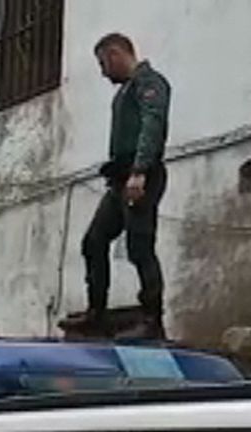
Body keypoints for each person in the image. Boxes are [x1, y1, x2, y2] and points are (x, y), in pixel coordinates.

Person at [78, 33, 172, 340]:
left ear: (117, 54)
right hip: (120, 179)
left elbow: (152, 124)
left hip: (139, 175)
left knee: (140, 247)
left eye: (104, 63)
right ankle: (97, 313)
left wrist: (139, 171)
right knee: (94, 240)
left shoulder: (150, 83)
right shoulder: (125, 92)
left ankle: (152, 320)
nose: (104, 72)